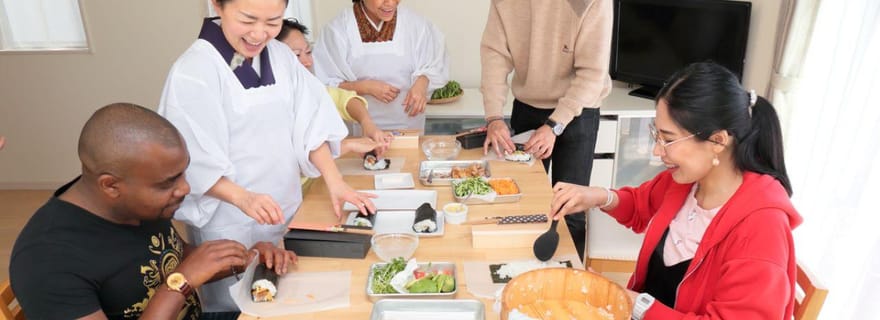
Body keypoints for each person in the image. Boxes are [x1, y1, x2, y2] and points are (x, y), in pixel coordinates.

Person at [158, 0, 377, 312]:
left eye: (273, 21)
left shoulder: (279, 56)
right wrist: (243, 198)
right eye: (248, 19)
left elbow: (310, 125)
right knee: (239, 305)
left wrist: (335, 180)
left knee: (290, 296)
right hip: (229, 220)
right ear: (218, 6)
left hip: (285, 207)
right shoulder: (193, 71)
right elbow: (190, 160)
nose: (259, 33)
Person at [550, 62, 802, 319]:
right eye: (656, 136)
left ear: (717, 141)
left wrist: (632, 302)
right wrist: (596, 196)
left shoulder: (761, 229)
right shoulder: (686, 182)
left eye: (668, 140)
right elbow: (640, 205)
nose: (657, 151)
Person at [9, 103, 290, 319]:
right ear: (110, 185)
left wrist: (247, 258)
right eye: (168, 182)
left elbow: (169, 259)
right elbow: (179, 274)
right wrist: (180, 283)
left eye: (182, 173)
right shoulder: (47, 261)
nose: (184, 188)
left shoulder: (137, 205)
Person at [480, 0, 613, 260]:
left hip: (578, 110)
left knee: (570, 209)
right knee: (521, 201)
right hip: (528, 106)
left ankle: (571, 286)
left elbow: (592, 73)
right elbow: (494, 54)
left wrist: (555, 124)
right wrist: (494, 117)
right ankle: (521, 275)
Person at [313, 0, 449, 131]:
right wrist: (364, 87)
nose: (390, 2)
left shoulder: (417, 25)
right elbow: (324, 86)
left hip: (408, 127)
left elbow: (434, 64)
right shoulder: (337, 31)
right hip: (359, 130)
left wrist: (422, 82)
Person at [276, 18, 393, 156]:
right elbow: (298, 156)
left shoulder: (310, 88)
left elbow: (344, 100)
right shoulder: (269, 102)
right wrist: (349, 145)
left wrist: (367, 123)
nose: (307, 62)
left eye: (308, 52)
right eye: (296, 55)